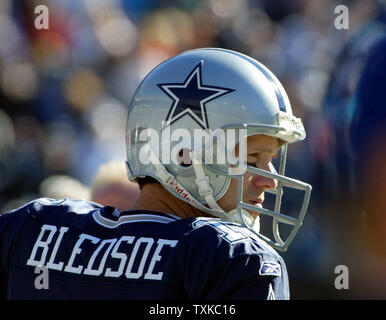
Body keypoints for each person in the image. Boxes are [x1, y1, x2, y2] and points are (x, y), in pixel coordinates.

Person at [0, 48, 311, 300]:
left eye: (271, 159)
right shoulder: (230, 259)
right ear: (184, 154)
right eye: (253, 158)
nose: (269, 181)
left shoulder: (31, 228)